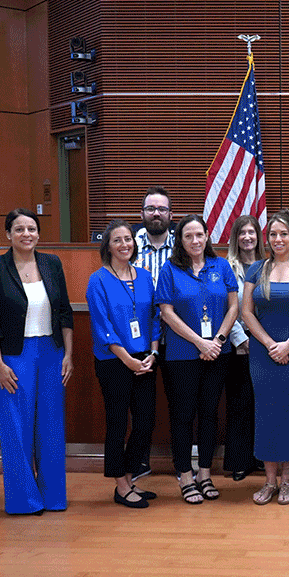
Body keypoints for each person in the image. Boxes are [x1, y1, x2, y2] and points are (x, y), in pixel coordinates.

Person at [0, 208, 73, 515]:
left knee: (51, 425)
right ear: (8, 234)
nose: (26, 234)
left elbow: (65, 312)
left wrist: (69, 354)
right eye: (19, 229)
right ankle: (23, 500)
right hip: (13, 356)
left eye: (31, 229)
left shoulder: (51, 263)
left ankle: (53, 496)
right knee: (16, 427)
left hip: (51, 352)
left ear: (38, 233)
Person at [155, 214, 238, 505]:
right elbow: (166, 312)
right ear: (180, 240)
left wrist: (217, 341)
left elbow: (233, 306)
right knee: (182, 415)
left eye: (199, 235)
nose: (194, 241)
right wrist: (199, 341)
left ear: (207, 237)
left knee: (209, 414)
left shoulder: (221, 265)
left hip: (217, 353)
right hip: (181, 355)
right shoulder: (170, 269)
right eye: (188, 236)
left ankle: (204, 473)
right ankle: (185, 476)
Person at [240, 209, 289, 505]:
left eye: (283, 233)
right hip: (262, 353)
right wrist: (270, 344)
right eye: (272, 234)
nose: (278, 239)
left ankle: (287, 481)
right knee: (266, 413)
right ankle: (269, 481)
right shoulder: (255, 270)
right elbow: (247, 311)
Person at [86, 220, 160, 509]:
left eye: (128, 239)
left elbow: (154, 317)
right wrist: (127, 359)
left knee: (145, 422)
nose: (124, 245)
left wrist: (153, 352)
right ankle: (119, 484)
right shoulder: (98, 279)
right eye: (117, 240)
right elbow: (102, 326)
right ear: (108, 246)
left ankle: (129, 477)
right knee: (118, 422)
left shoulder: (143, 277)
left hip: (145, 359)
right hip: (114, 361)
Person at [130, 185, 175, 481]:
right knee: (141, 406)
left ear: (171, 215)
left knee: (180, 402)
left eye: (161, 209)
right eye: (150, 209)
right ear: (142, 213)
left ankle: (182, 461)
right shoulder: (128, 245)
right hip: (140, 336)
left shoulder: (182, 245)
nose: (156, 213)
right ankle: (139, 460)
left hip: (177, 335)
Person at [225, 214, 264, 480]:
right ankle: (240, 461)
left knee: (263, 402)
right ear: (235, 238)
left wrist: (263, 339)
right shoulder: (228, 267)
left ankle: (262, 456)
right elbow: (229, 308)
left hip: (266, 342)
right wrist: (240, 339)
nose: (247, 237)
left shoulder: (268, 266)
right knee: (240, 403)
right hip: (239, 343)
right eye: (242, 233)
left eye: (252, 232)